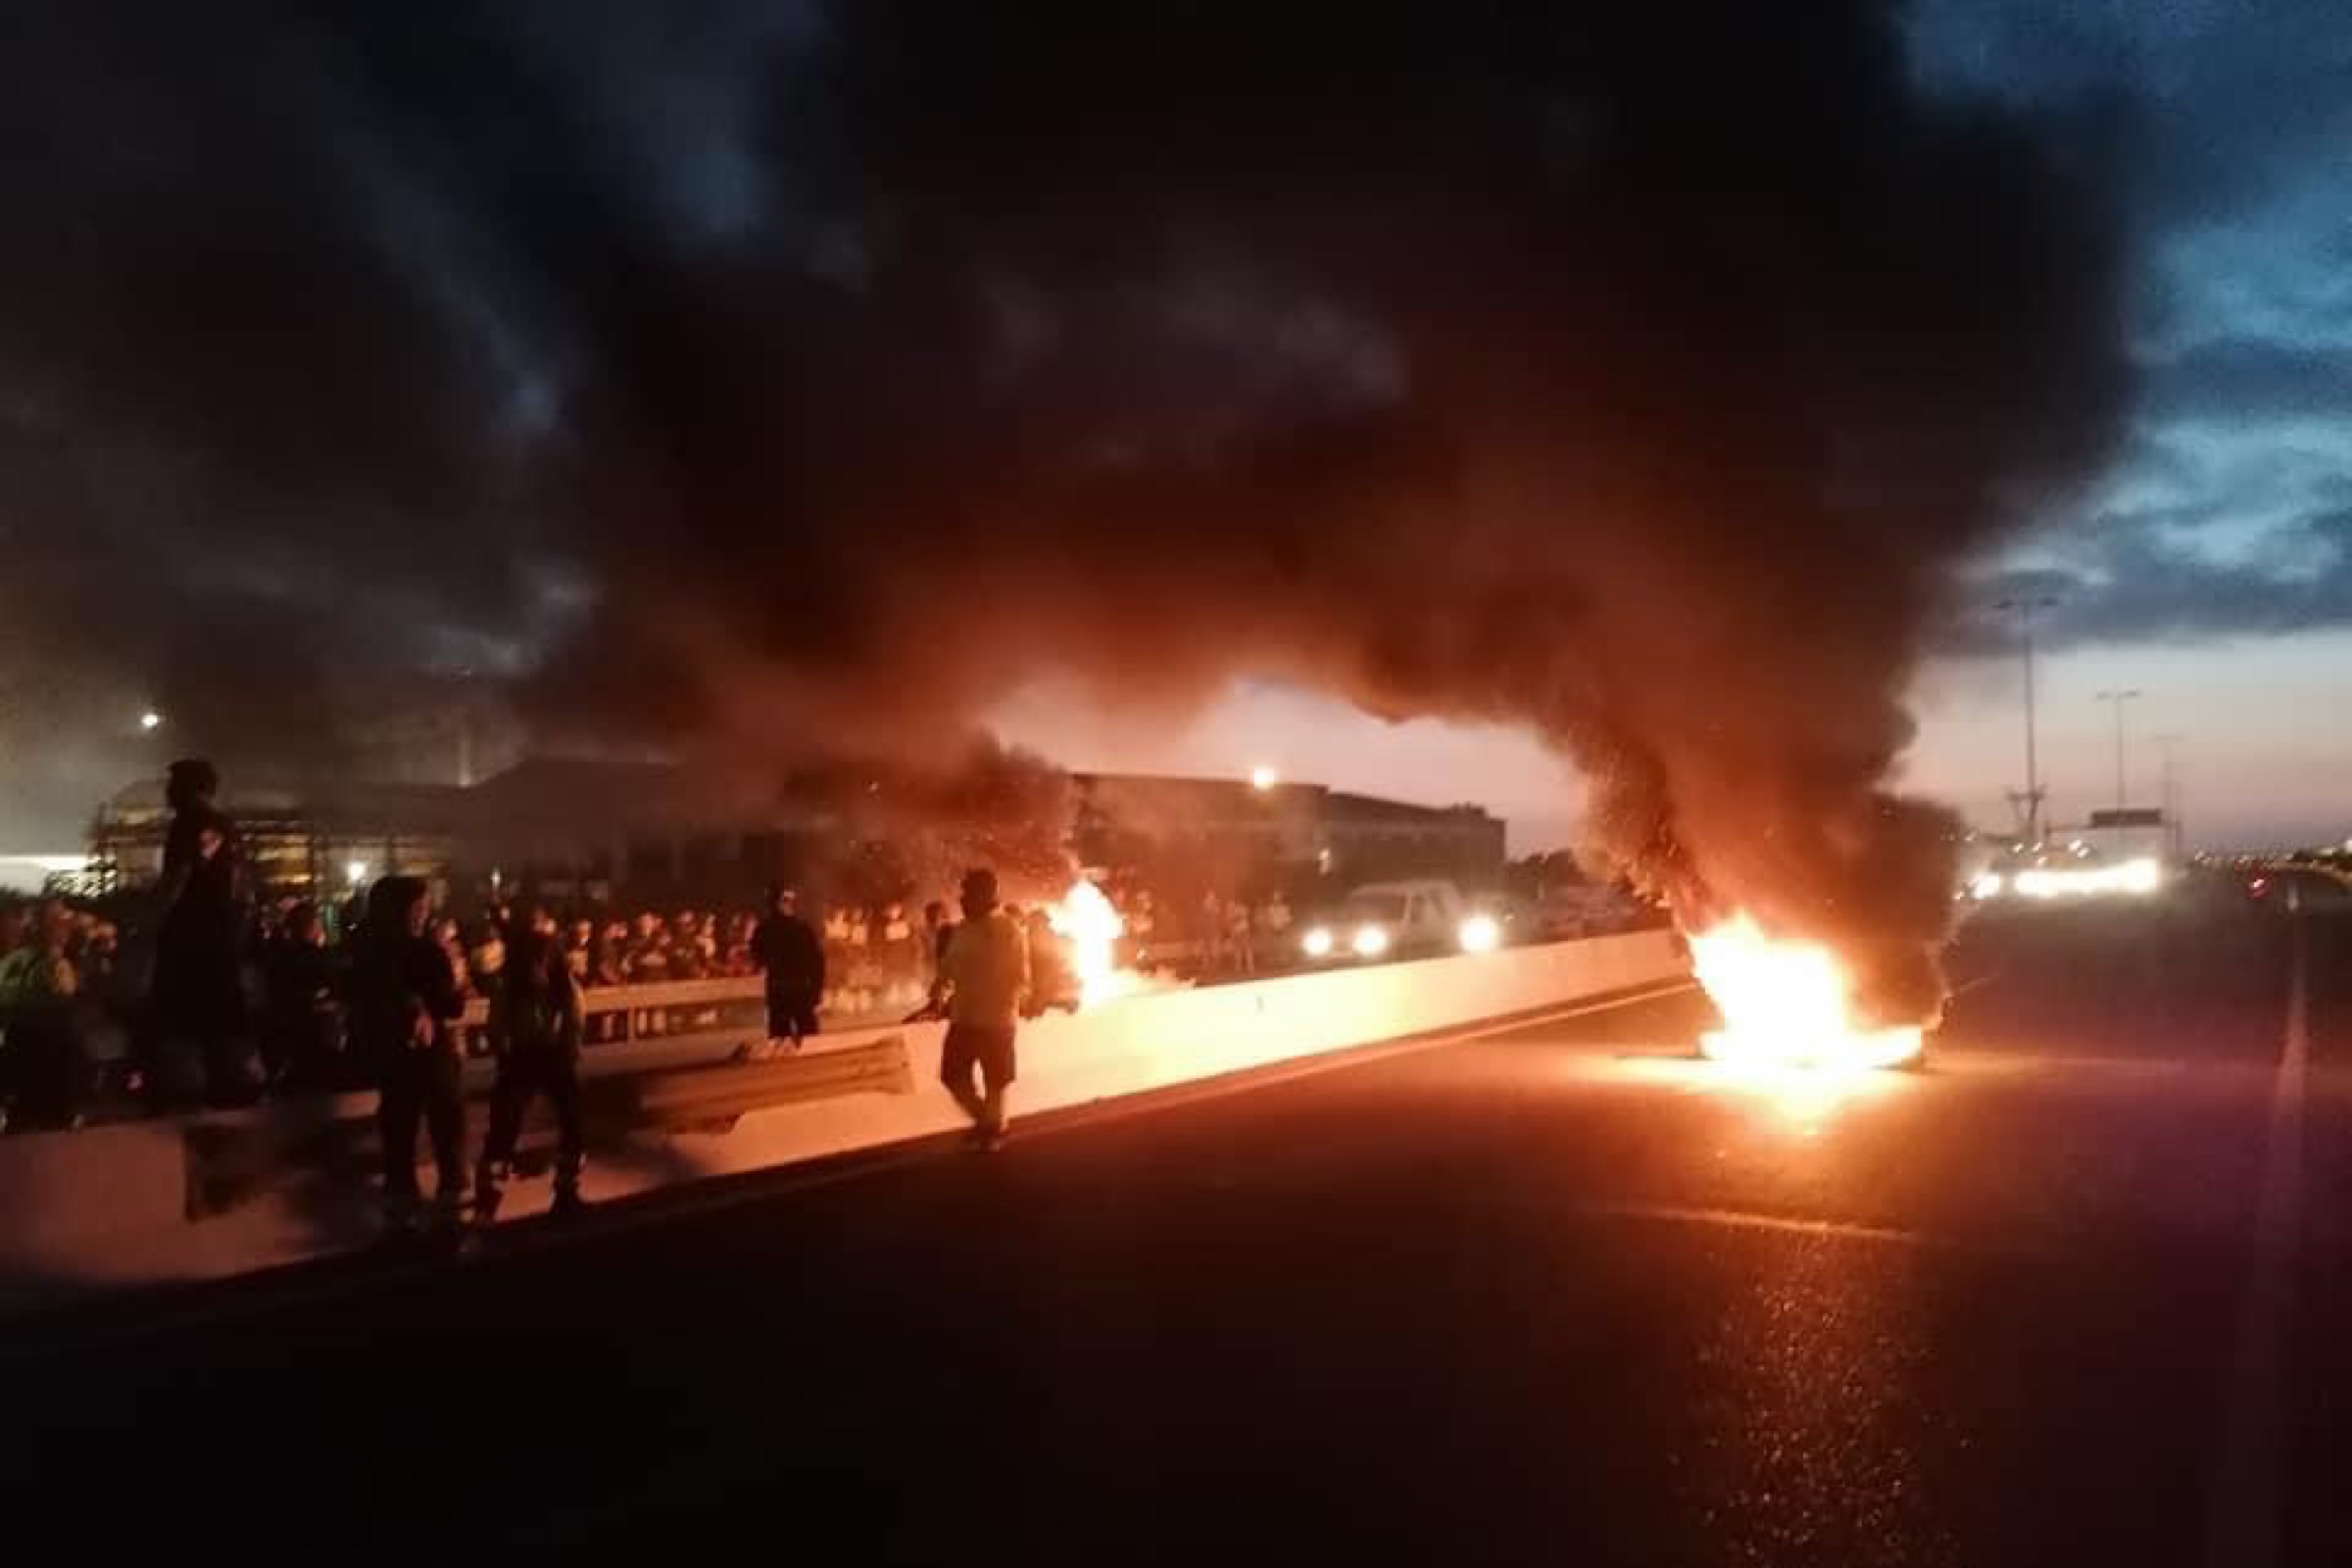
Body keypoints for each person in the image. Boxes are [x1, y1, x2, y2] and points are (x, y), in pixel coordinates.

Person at [348, 876, 467, 1233]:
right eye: (419, 908)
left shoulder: (365, 953)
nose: (424, 914)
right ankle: (451, 1192)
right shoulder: (426, 952)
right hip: (429, 1054)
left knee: (398, 1124)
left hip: (389, 1051)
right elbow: (452, 1005)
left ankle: (400, 1196)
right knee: (446, 1119)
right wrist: (452, 979)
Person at [150, 758, 256, 1104]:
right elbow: (242, 889)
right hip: (221, 935)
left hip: (194, 936)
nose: (168, 792)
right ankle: (231, 1088)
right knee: (220, 1016)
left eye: (174, 784)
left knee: (186, 1017)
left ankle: (191, 1093)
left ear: (191, 788)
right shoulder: (226, 827)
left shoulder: (191, 823)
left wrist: (154, 914)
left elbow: (179, 876)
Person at [475, 927, 587, 1222]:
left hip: (552, 1056)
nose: (541, 963)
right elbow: (495, 1027)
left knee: (573, 1122)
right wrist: (505, 1054)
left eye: (546, 956)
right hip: (522, 1057)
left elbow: (575, 1019)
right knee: (503, 1128)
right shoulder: (509, 985)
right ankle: (487, 1201)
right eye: (537, 957)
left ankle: (566, 1192)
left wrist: (569, 1050)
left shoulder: (563, 984)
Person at [935, 867, 1029, 1150]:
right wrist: (939, 991)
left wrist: (1013, 1001)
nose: (962, 898)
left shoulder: (1008, 929)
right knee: (952, 1075)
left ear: (985, 894)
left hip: (996, 1019)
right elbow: (949, 966)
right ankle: (987, 1121)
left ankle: (993, 1128)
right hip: (964, 1016)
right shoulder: (963, 929)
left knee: (996, 1081)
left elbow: (1019, 975)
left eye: (968, 892)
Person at [261, 902, 343, 1089]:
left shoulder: (278, 961)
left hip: (288, 1036)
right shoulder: (322, 959)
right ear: (313, 926)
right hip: (318, 1035)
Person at [751, 886, 824, 1055]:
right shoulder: (793, 929)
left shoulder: (770, 929)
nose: (789, 904)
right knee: (787, 1040)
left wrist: (816, 990)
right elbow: (817, 961)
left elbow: (816, 961)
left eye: (790, 901)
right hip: (788, 989)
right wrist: (816, 989)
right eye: (785, 901)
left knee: (802, 1040)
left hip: (791, 989)